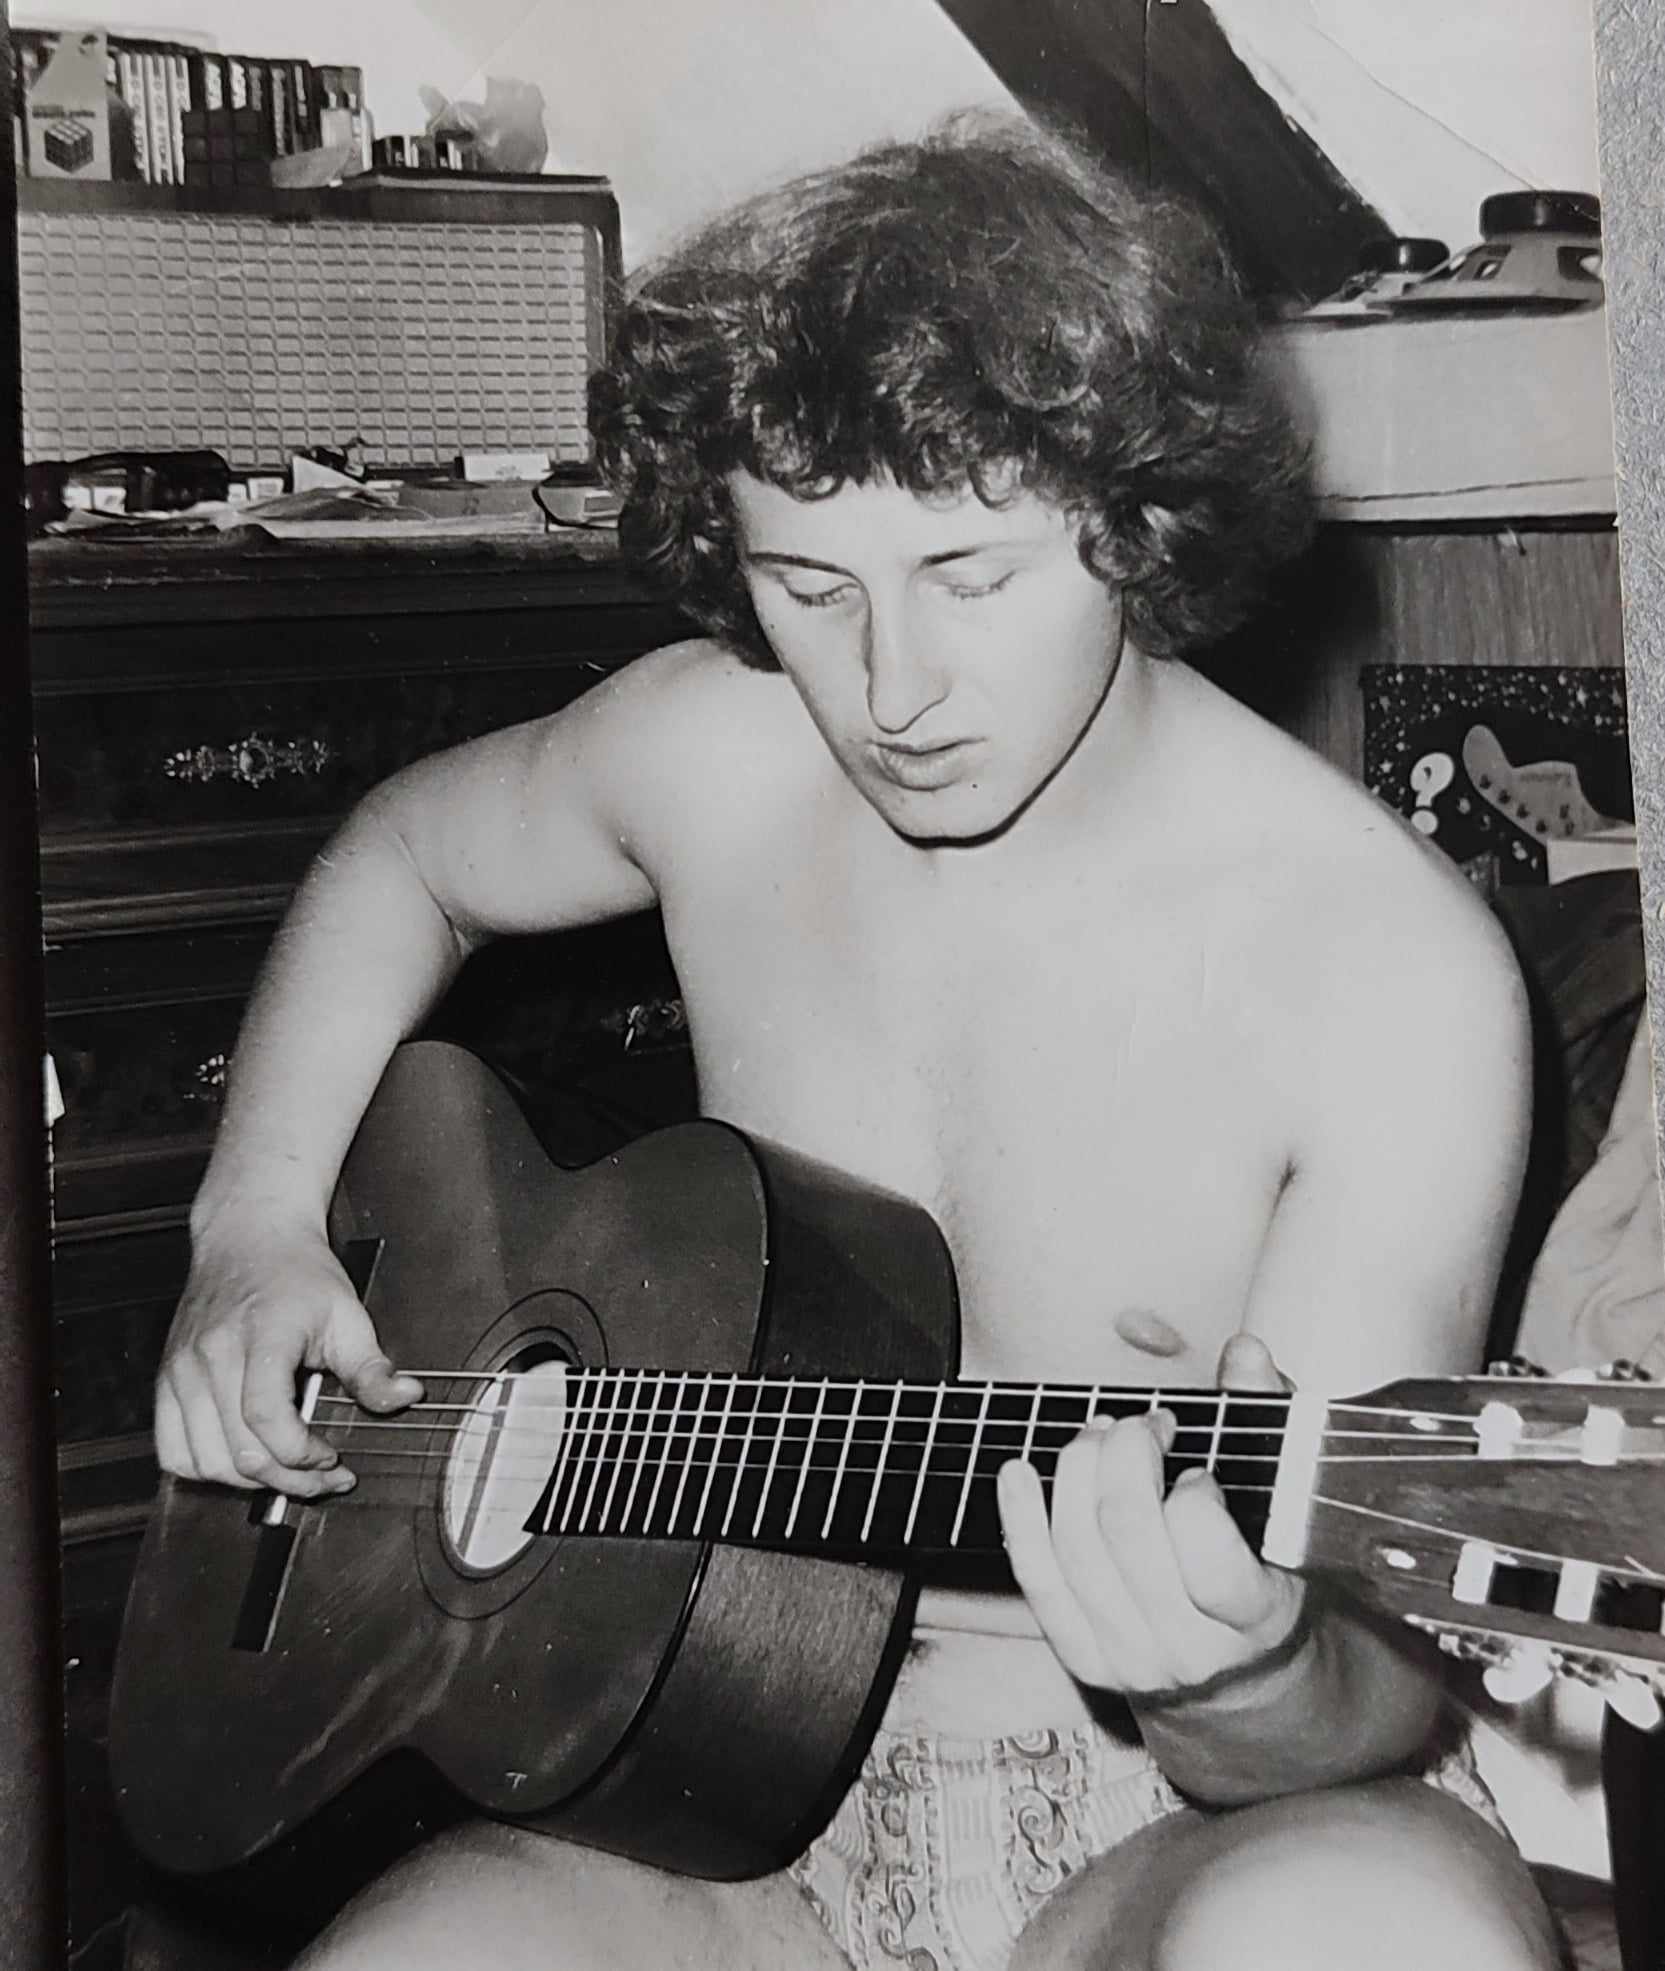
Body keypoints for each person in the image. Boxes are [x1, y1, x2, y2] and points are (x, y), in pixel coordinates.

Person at [156, 115, 1562, 1970]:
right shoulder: (717, 755)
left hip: (1174, 1822)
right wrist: (250, 1226)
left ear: (1132, 525)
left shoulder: (1382, 972)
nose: (891, 691)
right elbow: (403, 857)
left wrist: (1242, 1674)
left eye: (970, 576)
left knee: (1372, 1941)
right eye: (810, 590)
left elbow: (1364, 1695)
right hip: (693, 1779)